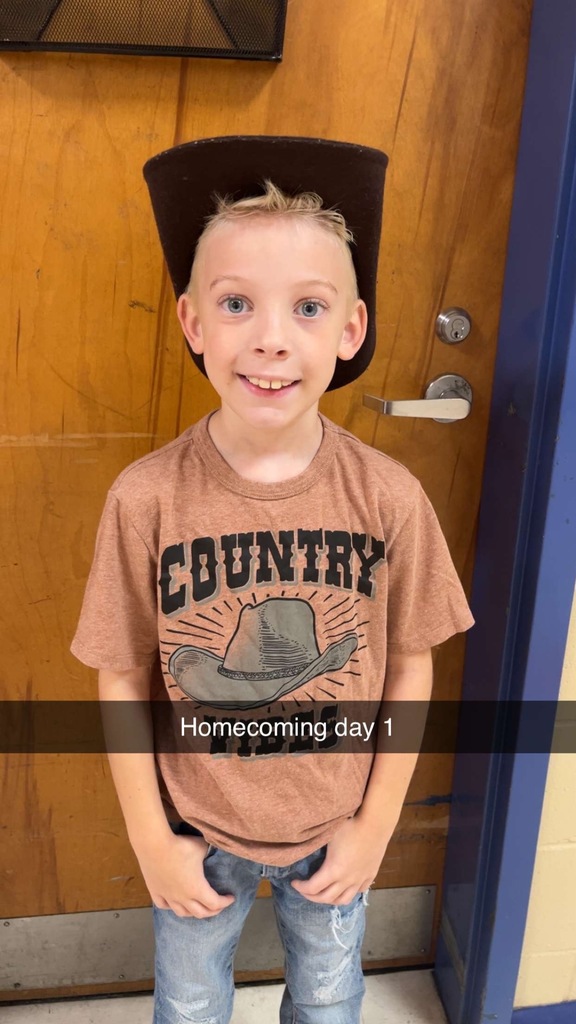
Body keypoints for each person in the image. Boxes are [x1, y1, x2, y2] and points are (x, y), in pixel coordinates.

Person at [70, 136, 474, 1024]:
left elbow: (411, 667)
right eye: (238, 303)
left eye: (307, 307)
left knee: (329, 1006)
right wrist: (149, 838)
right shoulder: (146, 500)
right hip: (194, 826)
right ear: (193, 323)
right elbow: (118, 671)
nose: (270, 340)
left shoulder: (389, 499)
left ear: (350, 329)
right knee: (188, 1003)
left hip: (335, 825)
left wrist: (373, 829)